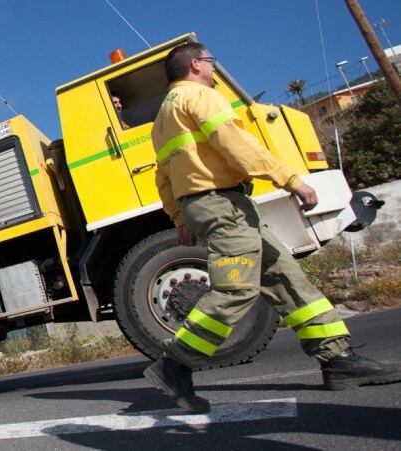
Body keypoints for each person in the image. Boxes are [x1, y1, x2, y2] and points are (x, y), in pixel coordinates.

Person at [145, 42, 401, 414]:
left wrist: (180, 217)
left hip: (212, 205)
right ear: (196, 65)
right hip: (223, 204)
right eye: (211, 63)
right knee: (236, 290)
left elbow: (163, 176)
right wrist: (290, 179)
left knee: (284, 275)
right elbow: (237, 145)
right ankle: (175, 364)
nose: (214, 70)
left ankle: (337, 358)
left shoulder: (162, 120)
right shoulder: (199, 97)